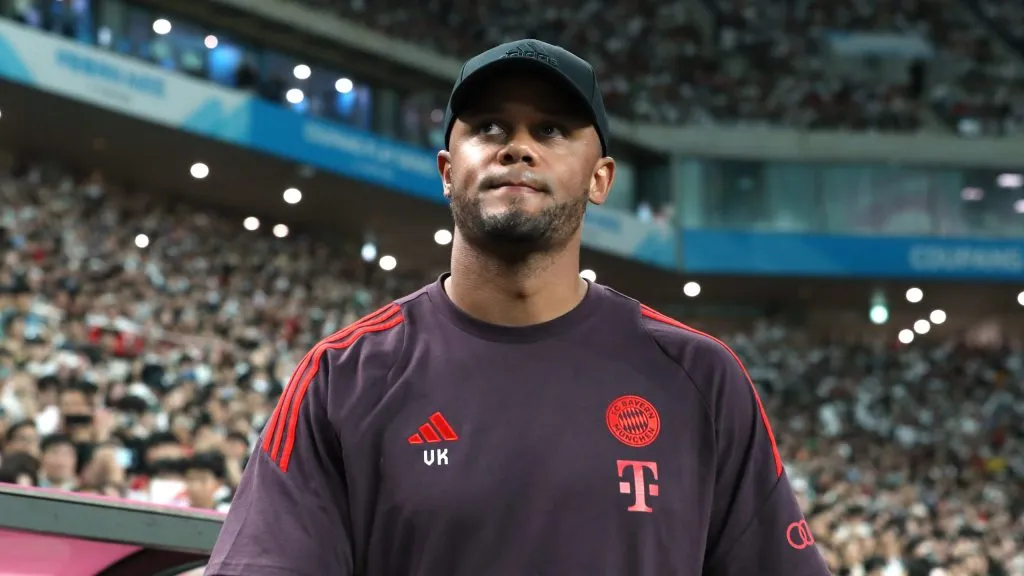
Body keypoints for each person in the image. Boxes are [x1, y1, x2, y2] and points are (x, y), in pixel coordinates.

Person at [206, 39, 830, 576]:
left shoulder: (702, 376)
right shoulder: (343, 375)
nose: (518, 148)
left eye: (552, 130)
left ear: (601, 178)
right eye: (489, 129)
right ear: (448, 170)